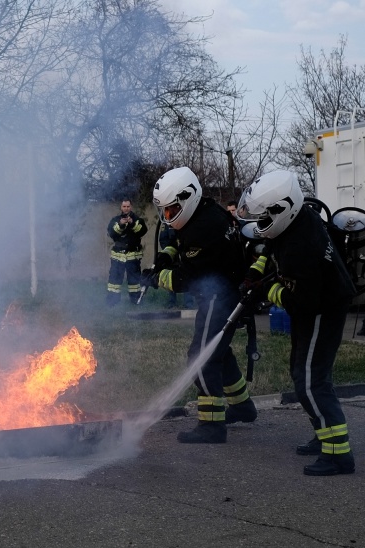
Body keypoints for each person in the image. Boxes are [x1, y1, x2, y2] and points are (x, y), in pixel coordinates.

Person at [237, 170, 355, 476]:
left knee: (311, 382)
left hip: (321, 310)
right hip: (316, 304)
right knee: (301, 372)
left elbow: (300, 301)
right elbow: (270, 252)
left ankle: (338, 454)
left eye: (264, 217)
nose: (261, 224)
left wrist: (265, 291)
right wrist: (255, 274)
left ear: (281, 210)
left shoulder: (300, 245)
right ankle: (323, 434)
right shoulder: (294, 222)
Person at [148, 166, 256, 443]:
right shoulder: (205, 210)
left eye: (171, 210)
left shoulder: (204, 229)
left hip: (220, 298)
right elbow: (180, 243)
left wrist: (158, 276)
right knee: (218, 349)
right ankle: (242, 405)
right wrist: (166, 255)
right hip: (229, 291)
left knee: (201, 355)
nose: (168, 217)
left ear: (188, 198)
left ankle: (211, 425)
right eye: (165, 211)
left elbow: (185, 279)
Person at [106, 199, 148, 306]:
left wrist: (132, 223)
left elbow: (142, 231)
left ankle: (135, 301)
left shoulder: (137, 220)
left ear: (131, 207)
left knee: (134, 281)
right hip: (118, 256)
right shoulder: (115, 220)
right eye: (124, 206)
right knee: (114, 281)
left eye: (128, 206)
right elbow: (111, 233)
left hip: (133, 256)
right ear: (121, 207)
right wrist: (120, 225)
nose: (126, 208)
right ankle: (112, 302)